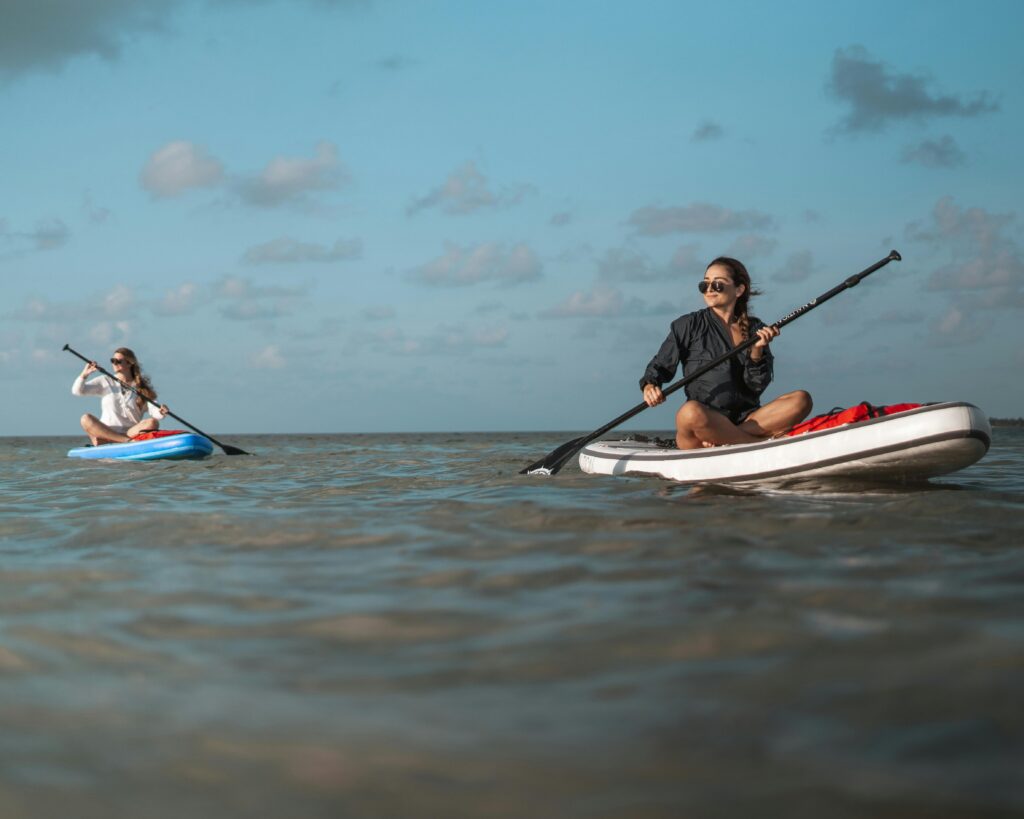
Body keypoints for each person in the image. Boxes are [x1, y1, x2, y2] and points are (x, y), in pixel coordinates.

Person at [640, 256, 812, 450]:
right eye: (704, 285)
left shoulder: (756, 328)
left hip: (748, 420)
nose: (710, 289)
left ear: (739, 290)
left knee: (801, 399)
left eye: (718, 284)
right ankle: (758, 444)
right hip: (703, 424)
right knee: (689, 412)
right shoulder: (687, 325)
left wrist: (757, 350)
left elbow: (756, 386)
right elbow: (659, 366)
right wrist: (650, 386)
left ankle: (727, 439)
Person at [72, 347, 170, 446]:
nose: (114, 363)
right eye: (112, 361)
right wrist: (84, 374)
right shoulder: (105, 380)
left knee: (152, 422)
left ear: (129, 363)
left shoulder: (142, 388)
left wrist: (161, 411)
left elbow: (154, 410)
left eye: (118, 361)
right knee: (85, 419)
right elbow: (78, 391)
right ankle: (124, 441)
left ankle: (116, 440)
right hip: (107, 431)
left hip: (131, 432)